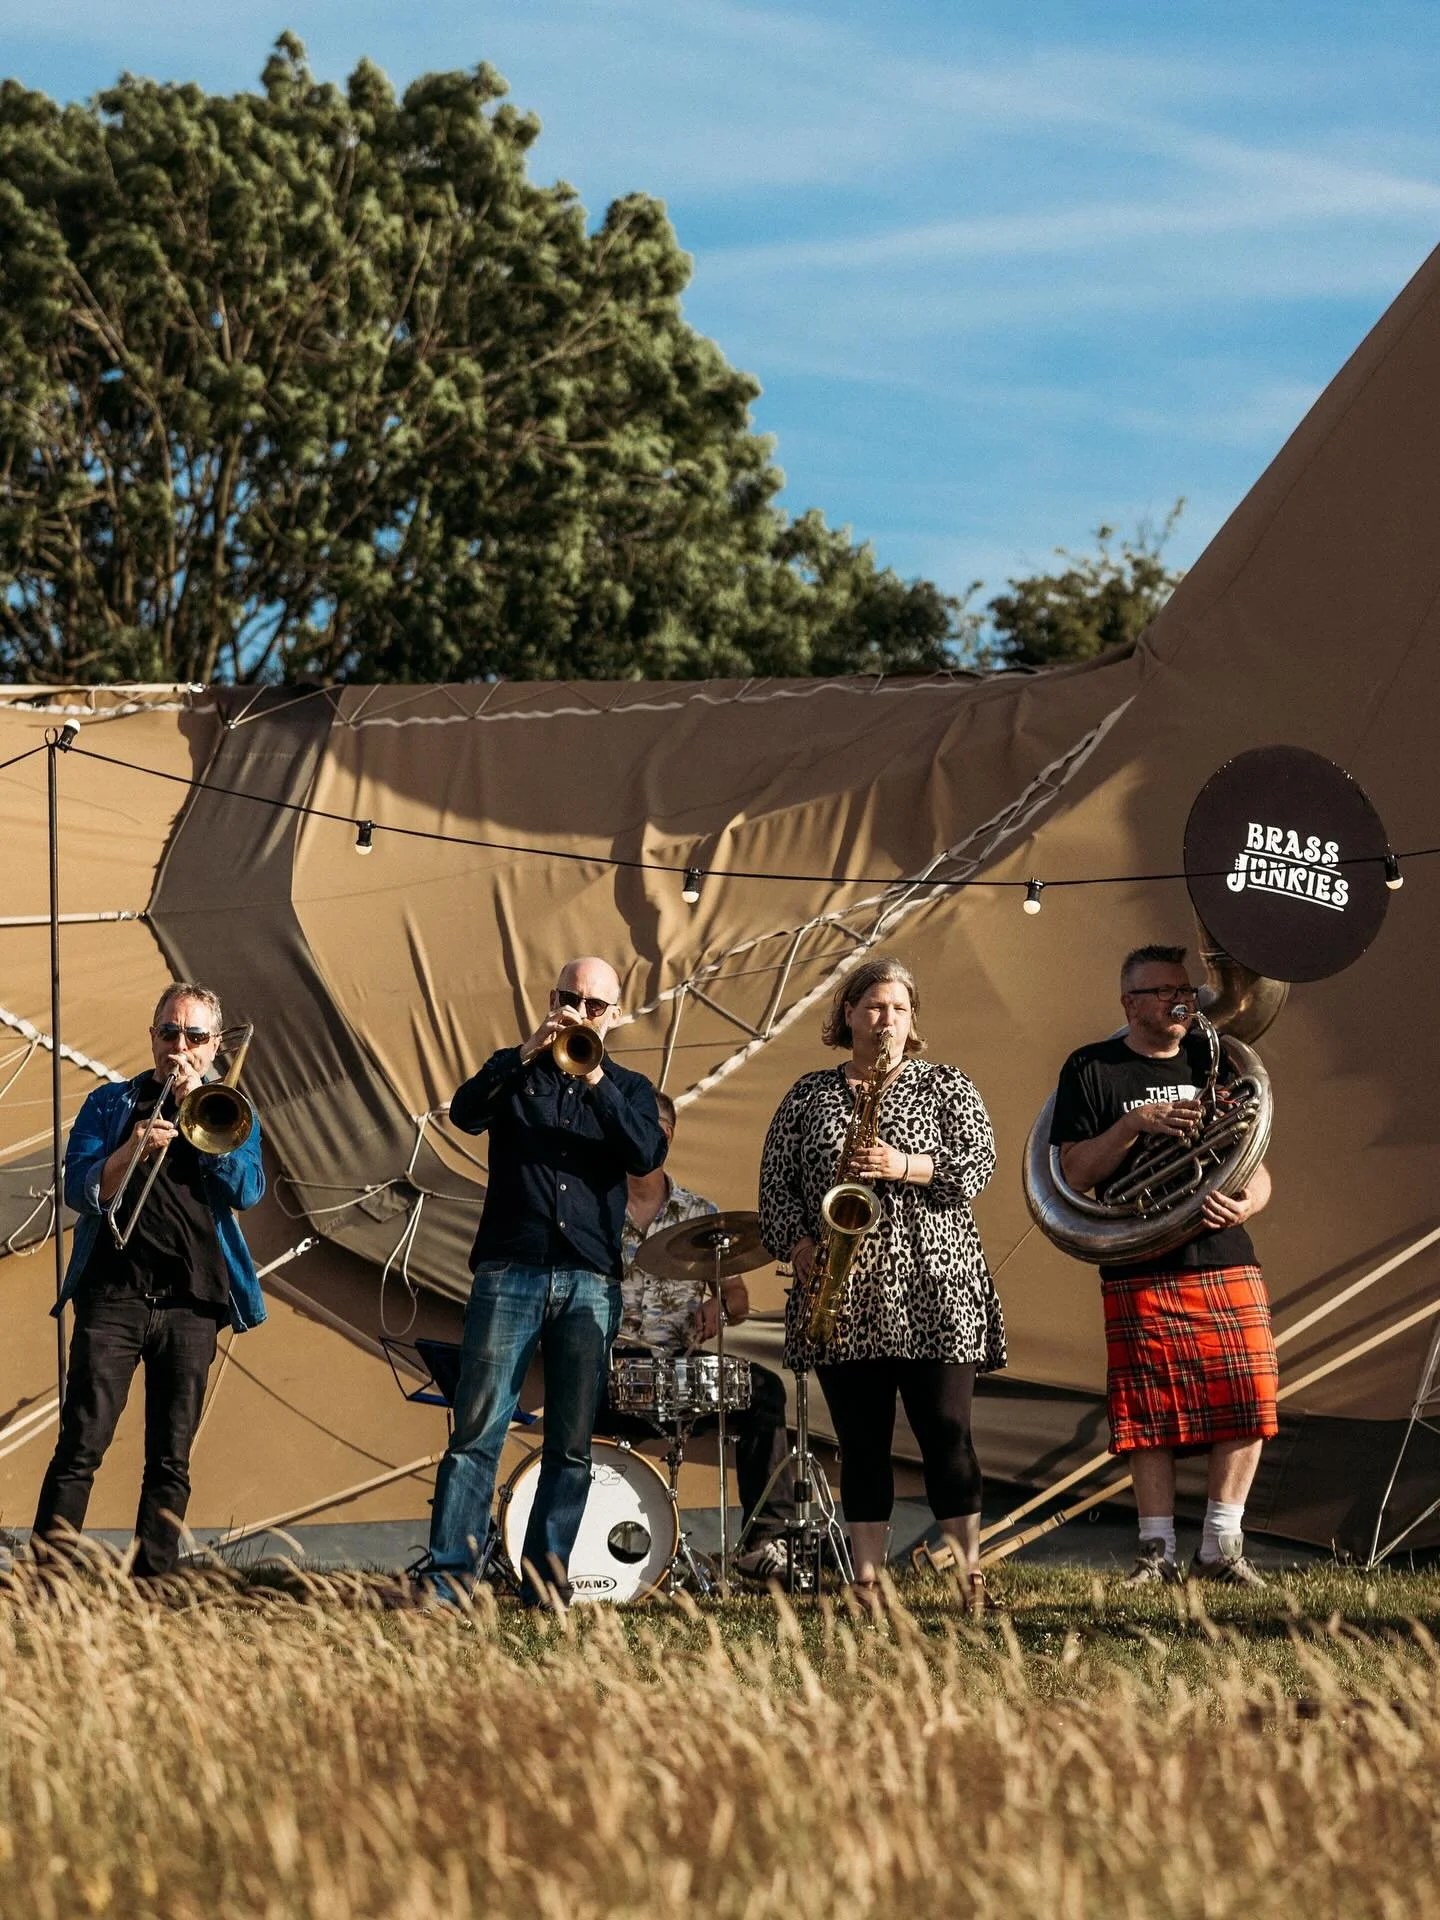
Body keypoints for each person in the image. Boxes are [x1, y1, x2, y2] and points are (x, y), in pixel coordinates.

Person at [758, 956, 1004, 1609]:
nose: (884, 1019)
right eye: (872, 1007)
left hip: (936, 1287)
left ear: (912, 1017)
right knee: (862, 1443)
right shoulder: (808, 1094)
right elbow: (774, 1189)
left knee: (947, 1433)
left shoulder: (948, 1085)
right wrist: (801, 1243)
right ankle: (865, 1579)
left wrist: (905, 1164)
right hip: (844, 1295)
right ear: (847, 1014)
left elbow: (977, 1165)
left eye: (897, 1008)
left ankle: (969, 1571)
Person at [426, 956, 667, 1604]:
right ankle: (450, 1582)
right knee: (478, 1430)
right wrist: (527, 1053)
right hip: (512, 1267)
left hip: (589, 1277)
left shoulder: (631, 1089)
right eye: (570, 998)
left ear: (613, 1016)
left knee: (571, 1442)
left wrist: (594, 1080)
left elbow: (646, 1152)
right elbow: (465, 1113)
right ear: (551, 997)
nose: (580, 1013)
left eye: (594, 1006)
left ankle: (546, 1583)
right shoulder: (516, 1071)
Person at [1049, 944, 1276, 1586]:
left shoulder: (1217, 1062)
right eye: (1162, 991)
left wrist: (1245, 1204)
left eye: (1184, 988)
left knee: (1248, 1398)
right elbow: (1074, 1174)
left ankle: (1221, 1546)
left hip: (1224, 1256)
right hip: (1139, 1258)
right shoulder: (1093, 1068)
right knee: (1150, 1411)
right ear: (1129, 1003)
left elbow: (1255, 1166)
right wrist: (1132, 1126)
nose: (1181, 1000)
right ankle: (1157, 1550)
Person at [32, 984, 265, 1577]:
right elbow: (79, 1188)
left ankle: (152, 1584)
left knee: (171, 1456)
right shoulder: (109, 1105)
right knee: (82, 1443)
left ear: (215, 1046)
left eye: (193, 1036)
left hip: (193, 1302)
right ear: (152, 1037)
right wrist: (129, 1150)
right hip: (113, 1297)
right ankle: (49, 1578)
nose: (178, 1046)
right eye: (168, 1032)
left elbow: (248, 1190)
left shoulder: (230, 1110)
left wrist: (201, 1120)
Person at [594, 1088, 797, 1582]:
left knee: (764, 1390)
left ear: (669, 1138)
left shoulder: (697, 1213)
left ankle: (765, 1541)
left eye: (656, 1131)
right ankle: (573, 1544)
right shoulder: (591, 1207)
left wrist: (716, 1305)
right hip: (609, 1366)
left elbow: (739, 1299)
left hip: (680, 1367)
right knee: (570, 1404)